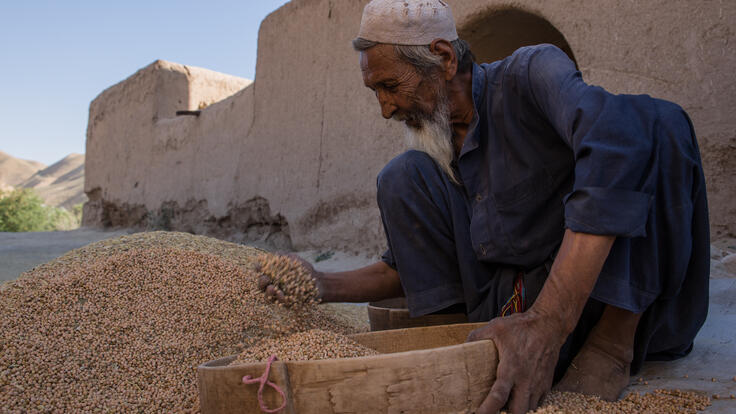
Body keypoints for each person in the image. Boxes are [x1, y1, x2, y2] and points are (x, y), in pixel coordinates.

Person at [260, 0, 710, 412]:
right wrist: (321, 283)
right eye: (375, 91)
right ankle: (456, 342)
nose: (385, 108)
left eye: (390, 86)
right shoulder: (440, 144)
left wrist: (548, 323)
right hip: (508, 309)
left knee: (652, 120)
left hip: (601, 298)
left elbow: (616, 142)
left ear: (443, 57)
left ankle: (612, 346)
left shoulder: (530, 75)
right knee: (402, 175)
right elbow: (407, 267)